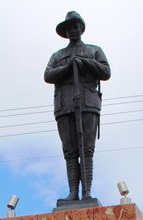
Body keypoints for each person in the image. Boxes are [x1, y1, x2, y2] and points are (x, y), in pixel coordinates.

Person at [44, 11, 111, 201]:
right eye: (69, 28)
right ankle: (73, 192)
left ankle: (86, 192)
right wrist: (67, 67)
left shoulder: (94, 50)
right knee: (70, 150)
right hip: (65, 105)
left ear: (81, 28)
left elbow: (106, 71)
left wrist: (85, 63)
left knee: (87, 149)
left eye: (75, 26)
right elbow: (47, 75)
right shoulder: (58, 55)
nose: (72, 30)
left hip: (88, 103)